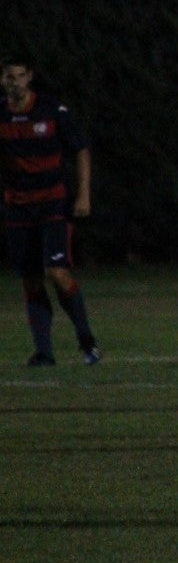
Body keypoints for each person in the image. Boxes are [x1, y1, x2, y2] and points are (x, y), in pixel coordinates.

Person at [0, 55, 101, 366]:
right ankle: (44, 353)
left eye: (18, 76)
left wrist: (83, 195)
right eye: (7, 76)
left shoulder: (51, 110)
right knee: (30, 279)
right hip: (16, 207)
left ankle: (87, 340)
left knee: (56, 272)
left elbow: (80, 149)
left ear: (29, 77)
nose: (13, 82)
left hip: (52, 204)